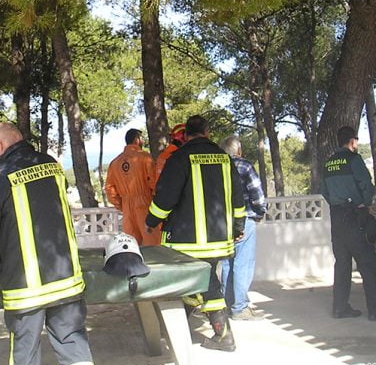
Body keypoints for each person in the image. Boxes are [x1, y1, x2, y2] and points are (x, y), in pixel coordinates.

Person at [0, 122, 96, 365]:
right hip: (66, 279)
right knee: (73, 343)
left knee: (25, 351)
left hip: (25, 287)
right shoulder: (52, 165)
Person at [145, 115, 246, 351]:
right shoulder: (224, 159)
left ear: (185, 134)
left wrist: (152, 220)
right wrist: (238, 227)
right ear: (208, 132)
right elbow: (237, 198)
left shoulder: (179, 158)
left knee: (203, 285)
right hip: (220, 239)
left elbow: (165, 198)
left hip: (187, 242)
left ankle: (224, 336)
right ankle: (178, 327)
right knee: (205, 282)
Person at [321, 127, 376, 322]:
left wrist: (338, 203)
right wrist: (364, 203)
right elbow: (366, 185)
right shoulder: (354, 160)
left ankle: (339, 308)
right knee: (367, 264)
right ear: (352, 141)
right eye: (357, 141)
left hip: (337, 218)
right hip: (355, 216)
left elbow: (324, 191)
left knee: (342, 264)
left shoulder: (328, 163)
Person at [219, 135, 267, 320]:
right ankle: (240, 308)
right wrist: (260, 211)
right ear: (239, 150)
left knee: (226, 263)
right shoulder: (245, 166)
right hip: (244, 219)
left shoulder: (216, 167)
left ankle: (226, 303)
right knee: (243, 263)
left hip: (222, 222)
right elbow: (257, 194)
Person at [104, 129, 161, 245]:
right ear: (137, 140)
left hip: (127, 209)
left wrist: (122, 205)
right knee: (154, 247)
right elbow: (154, 184)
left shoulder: (115, 162)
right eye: (142, 138)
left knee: (132, 247)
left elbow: (110, 189)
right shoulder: (145, 158)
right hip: (145, 205)